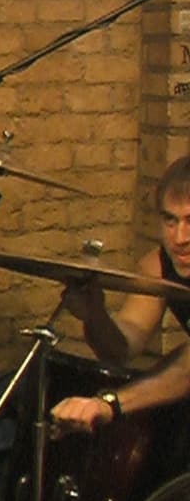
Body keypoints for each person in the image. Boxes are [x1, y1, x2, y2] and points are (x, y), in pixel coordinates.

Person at [49, 155, 190, 437]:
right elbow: (119, 349)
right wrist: (95, 316)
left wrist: (111, 403)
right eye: (170, 220)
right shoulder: (158, 266)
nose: (180, 238)